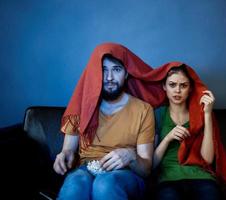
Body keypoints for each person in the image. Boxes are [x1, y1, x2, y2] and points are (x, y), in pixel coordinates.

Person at [53, 42, 162, 200]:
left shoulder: (143, 110)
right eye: (103, 70)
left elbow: (146, 170)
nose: (109, 77)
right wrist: (64, 156)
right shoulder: (81, 105)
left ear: (126, 74)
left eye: (116, 69)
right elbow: (68, 150)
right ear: (94, 73)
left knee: (105, 184)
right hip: (86, 168)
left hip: (127, 174)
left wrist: (131, 156)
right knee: (76, 183)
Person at [149, 62, 226, 200]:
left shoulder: (200, 114)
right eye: (172, 85)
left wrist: (207, 114)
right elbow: (152, 163)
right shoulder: (158, 114)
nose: (177, 90)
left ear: (191, 88)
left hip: (201, 177)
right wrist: (168, 138)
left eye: (184, 85)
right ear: (164, 86)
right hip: (168, 179)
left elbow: (207, 158)